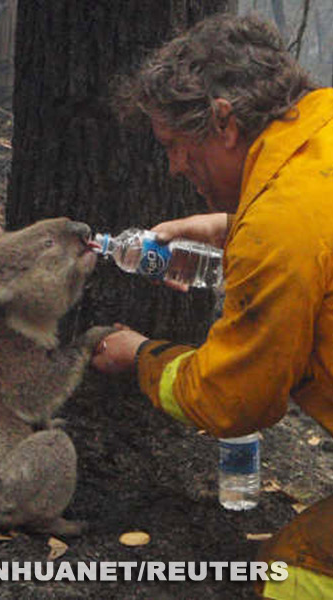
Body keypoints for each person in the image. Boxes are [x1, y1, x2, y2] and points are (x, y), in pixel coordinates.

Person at [92, 12, 333, 600]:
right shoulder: (319, 132)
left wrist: (141, 355)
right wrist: (227, 228)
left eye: (175, 146)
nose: (174, 167)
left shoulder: (279, 228)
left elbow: (233, 401)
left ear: (224, 122)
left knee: (295, 573)